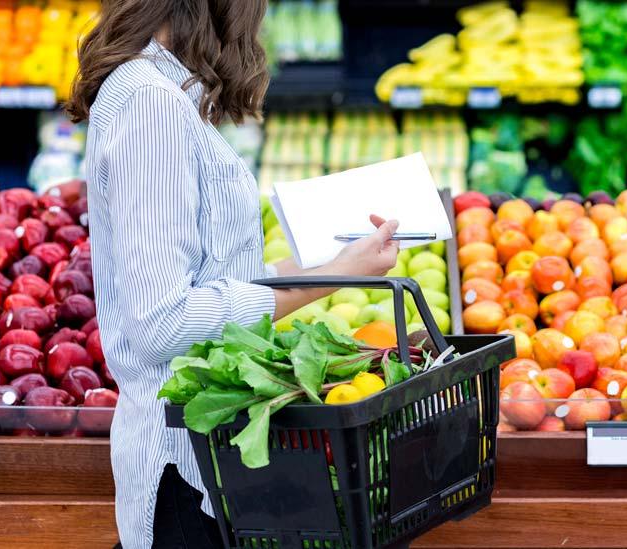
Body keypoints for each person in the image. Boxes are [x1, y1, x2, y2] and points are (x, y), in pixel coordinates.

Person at [66, 1, 399, 547]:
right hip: (183, 469)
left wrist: (335, 265)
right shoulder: (150, 106)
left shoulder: (160, 95)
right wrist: (327, 279)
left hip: (210, 458)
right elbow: (162, 322)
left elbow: (212, 278)